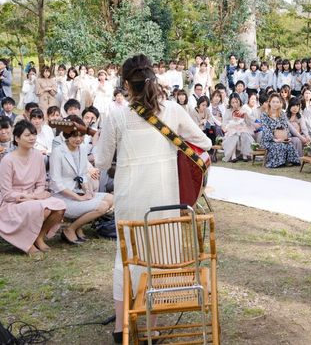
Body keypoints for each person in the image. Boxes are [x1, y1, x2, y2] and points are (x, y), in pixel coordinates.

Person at [93, 54, 212, 341]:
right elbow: (205, 143)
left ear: (125, 84)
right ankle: (150, 326)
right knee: (161, 256)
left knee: (127, 258)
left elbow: (101, 161)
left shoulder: (116, 116)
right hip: (165, 195)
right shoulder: (172, 110)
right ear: (153, 79)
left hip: (130, 197)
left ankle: (121, 328)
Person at [0, 120, 66, 255]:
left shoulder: (38, 156)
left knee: (60, 206)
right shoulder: (7, 160)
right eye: (27, 135)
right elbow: (6, 193)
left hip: (35, 196)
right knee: (42, 209)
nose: (32, 138)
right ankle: (27, 242)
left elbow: (41, 183)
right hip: (13, 201)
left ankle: (39, 237)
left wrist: (35, 196)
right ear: (17, 138)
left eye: (34, 134)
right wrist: (30, 197)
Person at [49, 116, 113, 244]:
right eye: (74, 136)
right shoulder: (58, 152)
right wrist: (79, 198)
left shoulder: (82, 149)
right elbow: (56, 183)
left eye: (81, 135)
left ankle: (77, 227)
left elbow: (82, 174)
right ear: (67, 135)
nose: (78, 139)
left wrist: (88, 191)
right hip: (63, 197)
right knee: (102, 206)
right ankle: (70, 229)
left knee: (111, 198)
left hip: (79, 192)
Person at [261, 93, 301, 168]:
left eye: (277, 102)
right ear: (269, 102)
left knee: (289, 145)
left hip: (282, 138)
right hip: (269, 140)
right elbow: (265, 129)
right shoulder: (264, 115)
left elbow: (286, 127)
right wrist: (274, 139)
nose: (275, 104)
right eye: (273, 102)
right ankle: (278, 163)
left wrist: (287, 137)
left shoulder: (282, 114)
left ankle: (291, 161)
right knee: (279, 146)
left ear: (280, 103)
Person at [221, 94, 254, 162]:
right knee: (234, 135)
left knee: (244, 134)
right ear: (230, 103)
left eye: (236, 102)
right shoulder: (228, 111)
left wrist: (246, 115)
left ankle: (245, 154)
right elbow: (224, 122)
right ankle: (233, 155)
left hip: (243, 128)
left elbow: (249, 123)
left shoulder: (244, 109)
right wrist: (231, 123)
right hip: (232, 128)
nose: (235, 104)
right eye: (233, 102)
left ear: (239, 101)